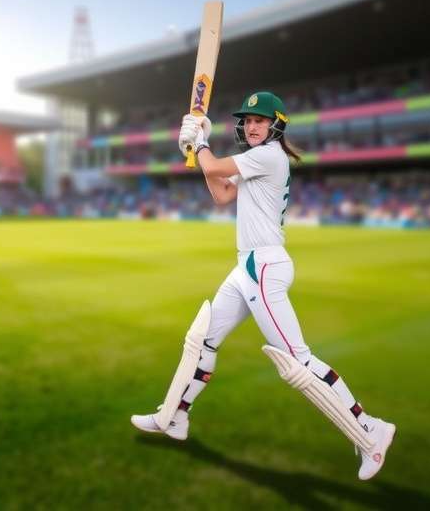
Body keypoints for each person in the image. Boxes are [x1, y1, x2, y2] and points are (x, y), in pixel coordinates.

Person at [130, 92, 396, 481]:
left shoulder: (269, 155)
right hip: (247, 267)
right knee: (202, 339)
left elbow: (216, 165)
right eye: (247, 120)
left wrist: (199, 142)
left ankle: (371, 429)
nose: (252, 126)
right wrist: (196, 147)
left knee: (297, 363)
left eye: (260, 120)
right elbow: (221, 192)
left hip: (264, 266)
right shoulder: (255, 161)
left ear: (276, 125)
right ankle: (175, 416)